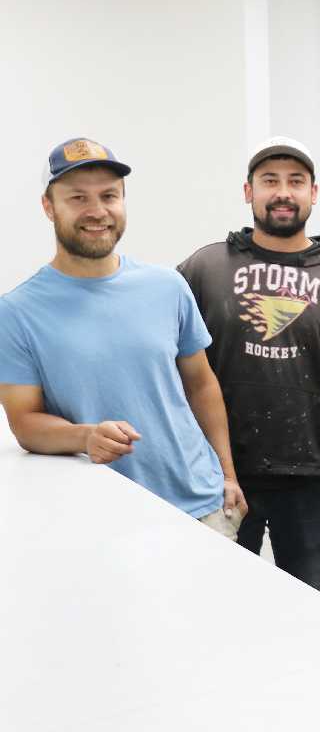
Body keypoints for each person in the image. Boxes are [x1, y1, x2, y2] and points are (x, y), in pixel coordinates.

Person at [0, 139, 246, 536]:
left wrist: (228, 475)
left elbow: (201, 385)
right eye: (78, 197)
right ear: (48, 207)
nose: (97, 211)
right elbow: (24, 421)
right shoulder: (16, 312)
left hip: (203, 507)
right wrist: (85, 436)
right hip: (102, 518)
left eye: (109, 196)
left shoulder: (168, 286)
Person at [178, 136, 320, 593]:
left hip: (309, 476)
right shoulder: (204, 269)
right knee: (217, 602)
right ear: (248, 191)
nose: (283, 192)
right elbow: (173, 369)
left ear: (314, 192)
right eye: (270, 181)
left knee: (308, 607)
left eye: (296, 181)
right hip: (219, 474)